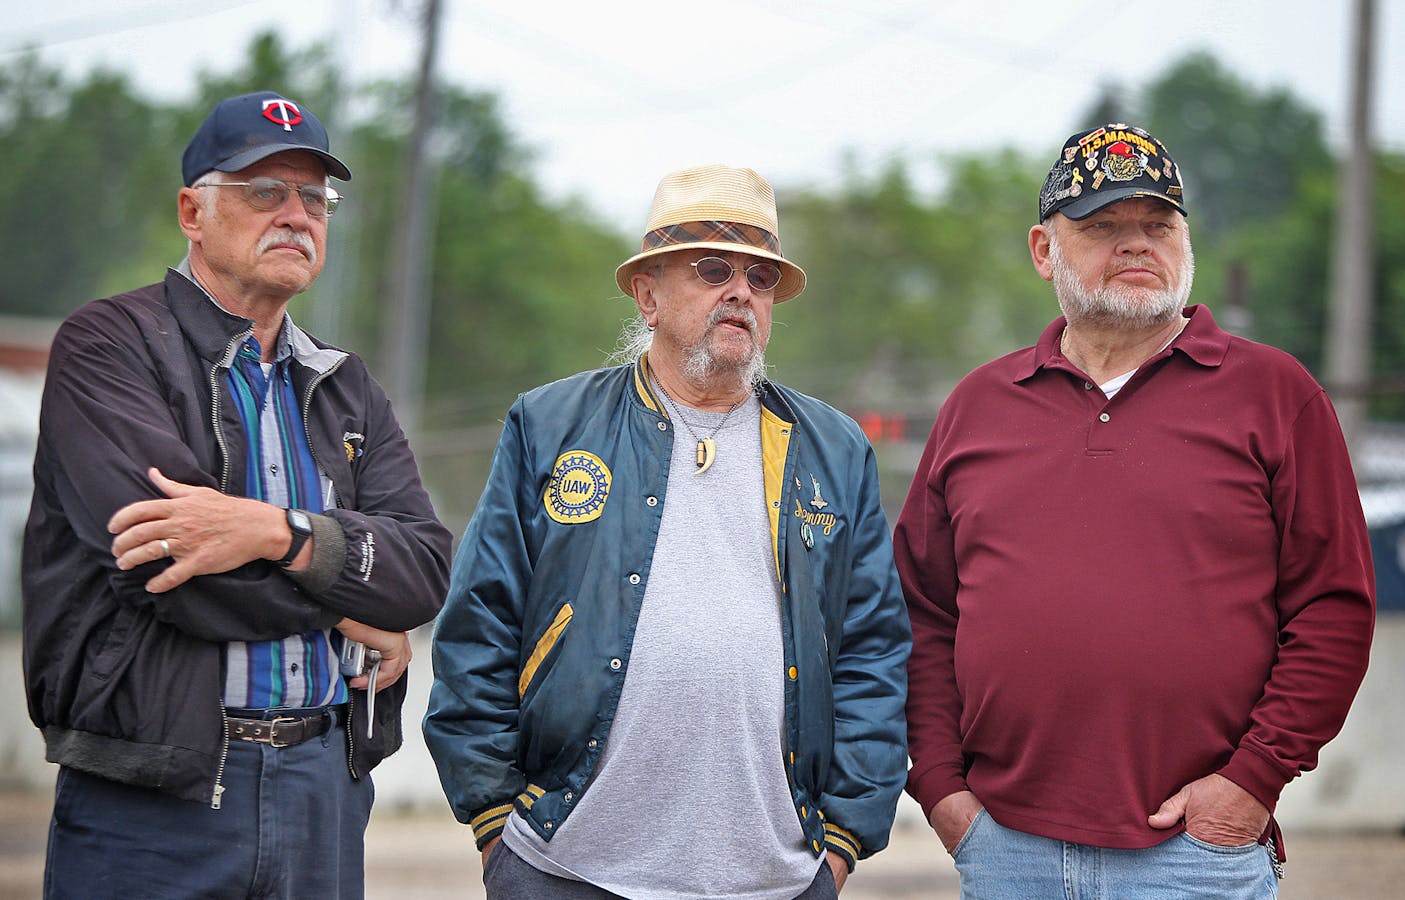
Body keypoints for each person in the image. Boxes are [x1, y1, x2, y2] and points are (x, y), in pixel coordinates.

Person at [894, 123, 1376, 899]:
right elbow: (920, 612)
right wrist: (944, 790)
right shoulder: (977, 406)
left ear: (1186, 242)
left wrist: (1250, 785)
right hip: (1007, 847)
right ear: (1044, 251)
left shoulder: (1276, 395)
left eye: (1159, 225)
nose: (1137, 244)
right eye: (1103, 228)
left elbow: (1333, 609)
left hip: (1194, 850)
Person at [424, 164, 910, 899]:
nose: (741, 291)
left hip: (775, 877)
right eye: (713, 268)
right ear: (648, 294)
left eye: (762, 277)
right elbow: (479, 626)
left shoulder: (833, 449)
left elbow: (872, 650)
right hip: (566, 866)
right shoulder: (551, 425)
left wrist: (841, 841)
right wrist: (495, 820)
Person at [23, 90, 452, 898]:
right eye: (264, 192)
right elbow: (165, 568)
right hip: (154, 797)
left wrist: (276, 533)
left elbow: (425, 571)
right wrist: (353, 601)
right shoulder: (108, 345)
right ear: (192, 210)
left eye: (314, 198)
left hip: (323, 782)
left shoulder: (345, 382)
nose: (296, 215)